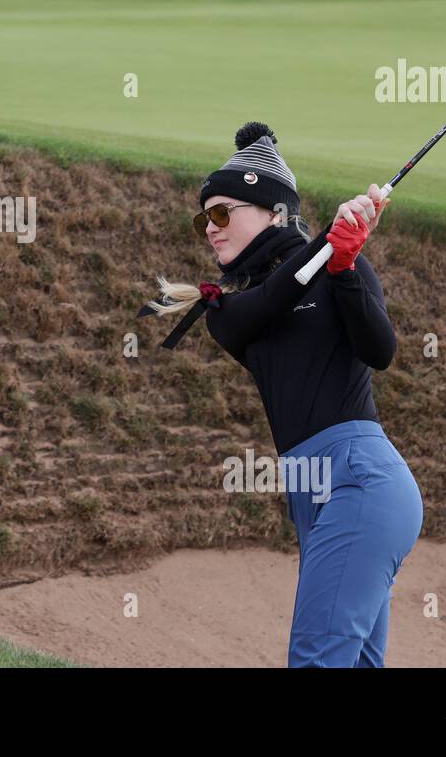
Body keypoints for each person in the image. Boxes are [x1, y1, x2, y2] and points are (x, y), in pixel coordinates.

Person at [140, 122, 422, 667]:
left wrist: (341, 266)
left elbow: (379, 349)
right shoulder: (228, 309)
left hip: (362, 481)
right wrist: (326, 246)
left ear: (273, 212)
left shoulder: (345, 266)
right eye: (204, 216)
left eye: (223, 212)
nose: (209, 228)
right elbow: (271, 299)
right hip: (310, 495)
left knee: (316, 659)